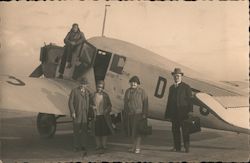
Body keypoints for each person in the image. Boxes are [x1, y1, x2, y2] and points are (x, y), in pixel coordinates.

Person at [165, 68, 193, 153]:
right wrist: (168, 114)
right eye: (175, 76)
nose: (176, 77)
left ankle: (187, 147)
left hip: (184, 113)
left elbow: (190, 100)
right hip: (174, 114)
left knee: (185, 131)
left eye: (178, 76)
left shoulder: (186, 87)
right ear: (173, 76)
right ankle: (177, 147)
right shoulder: (171, 88)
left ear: (181, 77)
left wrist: (190, 111)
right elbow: (169, 101)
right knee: (175, 131)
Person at [123, 75, 148, 154]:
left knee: (138, 132)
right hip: (130, 114)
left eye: (135, 82)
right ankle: (133, 147)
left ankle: (137, 148)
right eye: (132, 82)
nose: (133, 84)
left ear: (138, 83)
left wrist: (144, 114)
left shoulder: (142, 91)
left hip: (138, 115)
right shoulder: (128, 91)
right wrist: (126, 113)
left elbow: (145, 103)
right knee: (132, 132)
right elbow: (125, 103)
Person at [90, 80, 114, 153]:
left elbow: (110, 105)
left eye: (101, 87)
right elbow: (89, 104)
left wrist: (107, 110)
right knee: (96, 132)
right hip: (96, 116)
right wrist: (92, 106)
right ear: (96, 87)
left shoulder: (106, 95)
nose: (99, 88)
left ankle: (104, 145)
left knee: (104, 132)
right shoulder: (93, 95)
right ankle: (98, 145)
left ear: (103, 88)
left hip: (104, 117)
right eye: (98, 87)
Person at [68, 77, 90, 154]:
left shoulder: (87, 92)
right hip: (77, 114)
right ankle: (76, 146)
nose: (83, 85)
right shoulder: (74, 91)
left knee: (84, 131)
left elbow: (90, 103)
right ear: (79, 83)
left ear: (87, 85)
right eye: (82, 83)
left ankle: (83, 145)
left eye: (85, 84)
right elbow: (70, 102)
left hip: (85, 114)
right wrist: (73, 112)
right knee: (76, 131)